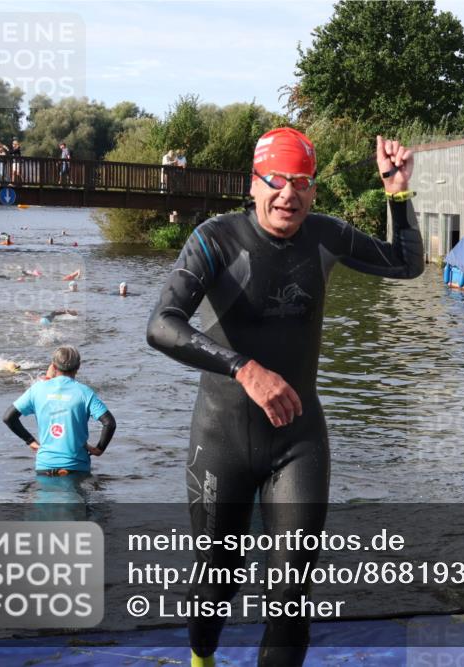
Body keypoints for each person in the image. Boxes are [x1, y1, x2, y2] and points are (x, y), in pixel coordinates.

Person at [146, 128, 423, 667]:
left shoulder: (324, 235)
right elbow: (161, 324)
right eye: (275, 181)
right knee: (215, 585)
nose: (287, 195)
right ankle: (201, 658)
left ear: (313, 191)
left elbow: (405, 264)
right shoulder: (215, 239)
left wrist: (397, 192)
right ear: (253, 184)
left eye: (301, 183)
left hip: (297, 442)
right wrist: (243, 368)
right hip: (221, 440)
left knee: (291, 592)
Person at [2, 346, 115, 477]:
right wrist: (98, 449)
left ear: (53, 366)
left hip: (45, 467)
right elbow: (109, 423)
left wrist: (30, 441)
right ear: (78, 367)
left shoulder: (37, 389)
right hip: (76, 467)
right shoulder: (85, 393)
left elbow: (8, 417)